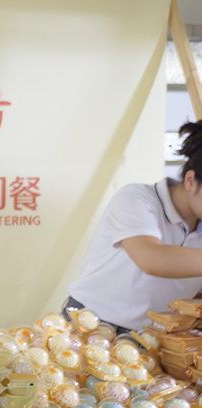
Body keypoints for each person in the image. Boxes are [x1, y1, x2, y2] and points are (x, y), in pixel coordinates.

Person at [65, 121, 202, 333]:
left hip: (152, 337)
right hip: (90, 324)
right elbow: (152, 259)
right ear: (191, 181)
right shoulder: (136, 198)